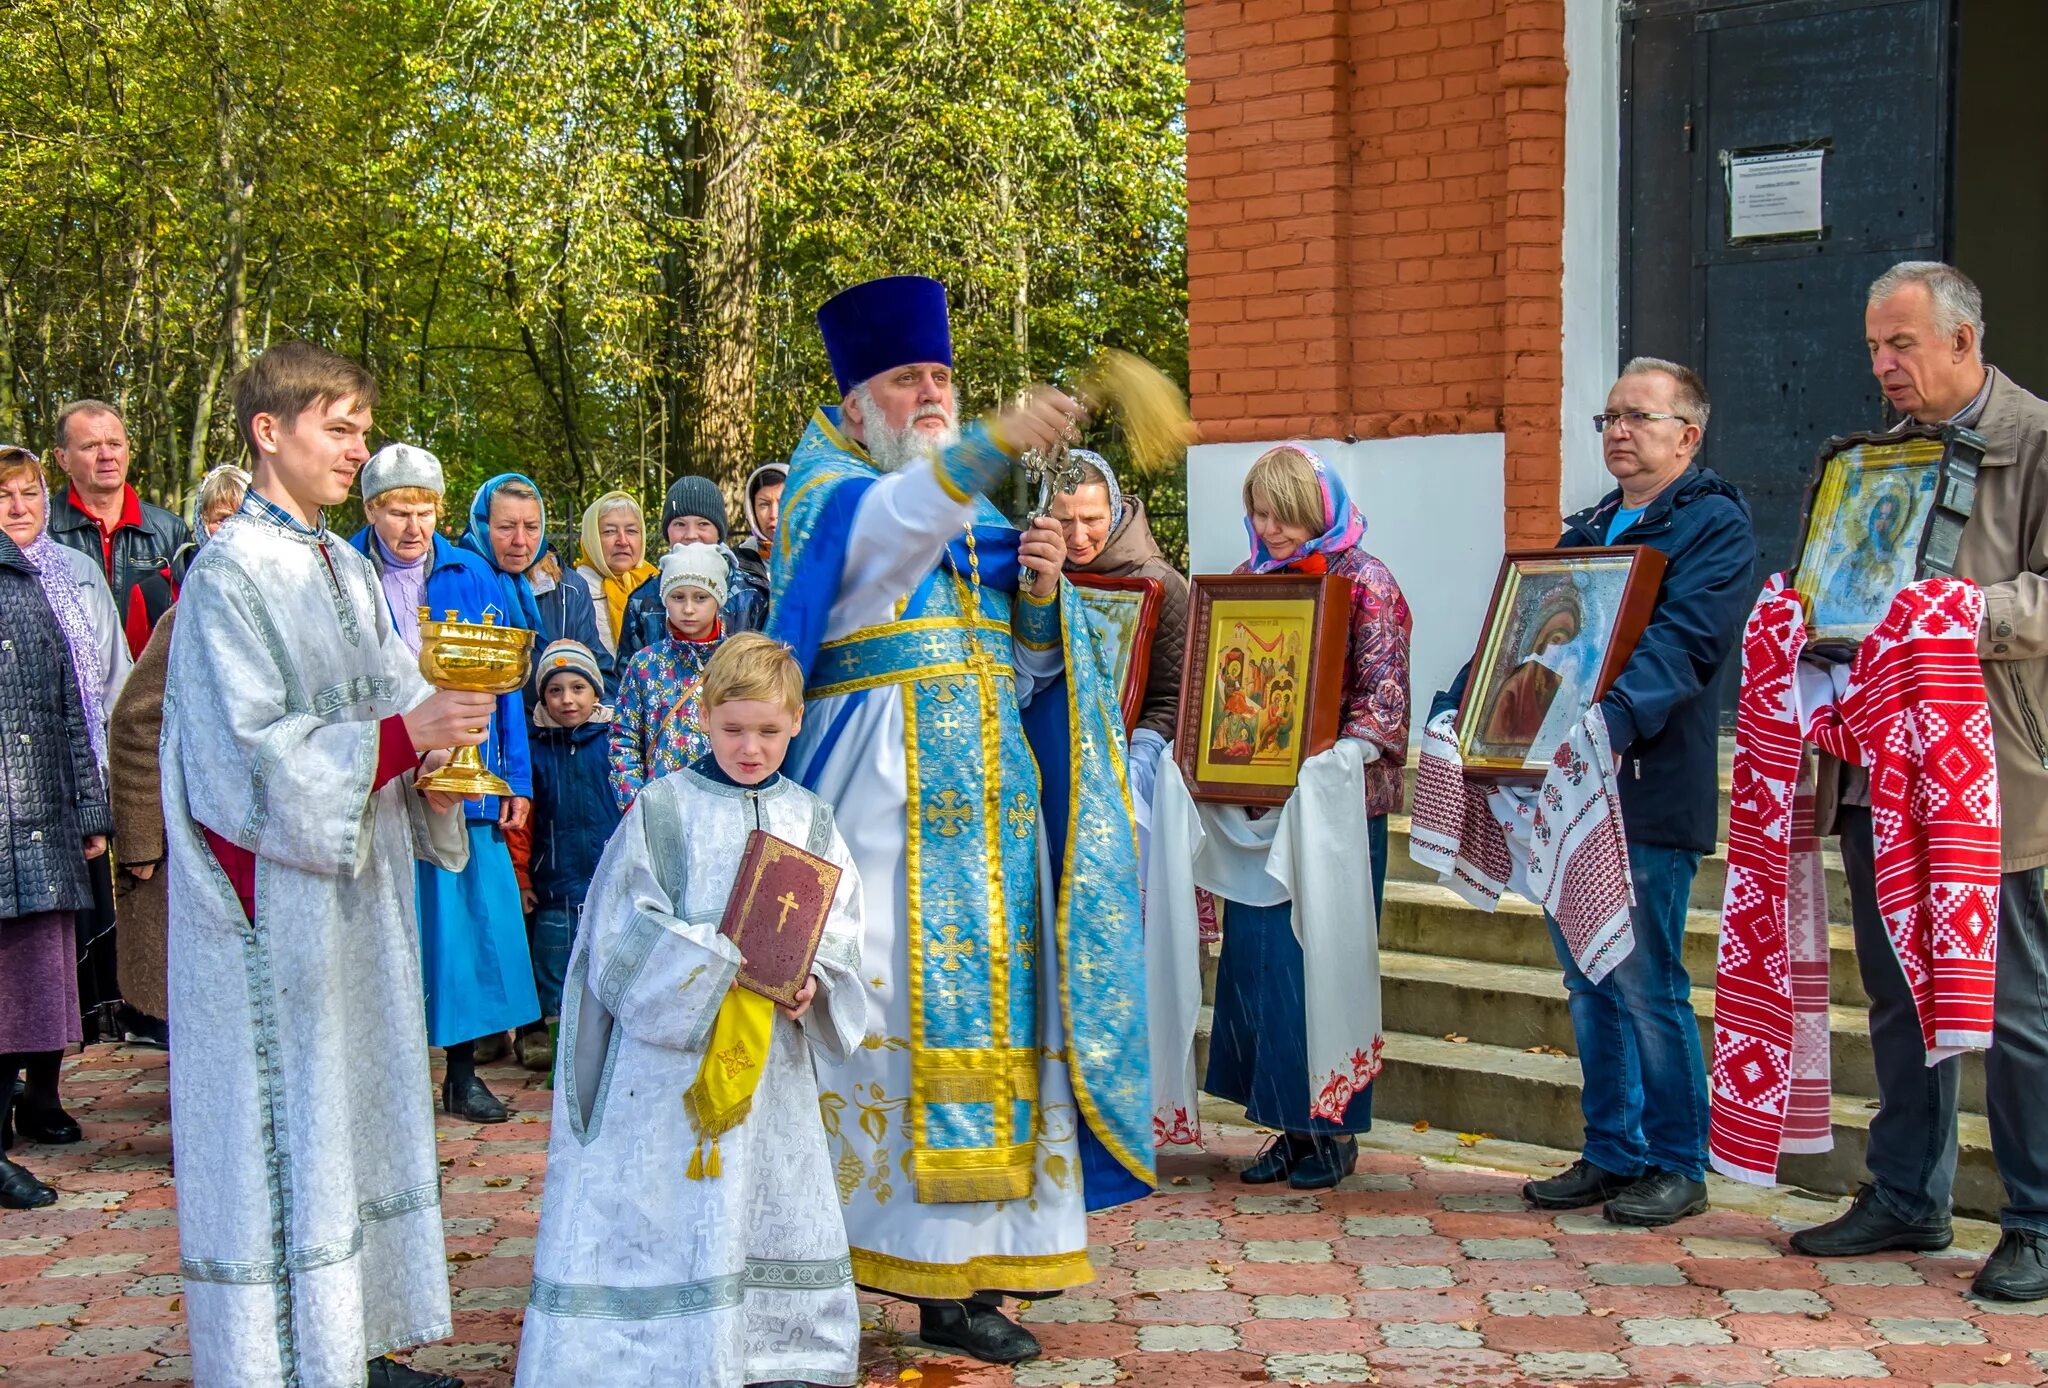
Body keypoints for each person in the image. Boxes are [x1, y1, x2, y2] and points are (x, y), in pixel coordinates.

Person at [772, 274, 1151, 1364]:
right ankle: (813, 1268)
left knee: (993, 1052)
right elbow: (893, 527)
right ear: (854, 403)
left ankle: (961, 1283)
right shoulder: (831, 495)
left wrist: (1036, 597)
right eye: (906, 379)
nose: (930, 393)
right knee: (867, 1055)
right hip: (873, 836)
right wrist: (987, 442)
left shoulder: (973, 516)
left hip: (989, 838)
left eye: (941, 376)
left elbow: (1032, 678)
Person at [161, 341, 495, 1388]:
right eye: (338, 426)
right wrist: (403, 742)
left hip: (358, 890)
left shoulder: (347, 567)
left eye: (360, 427)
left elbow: (398, 707)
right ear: (270, 430)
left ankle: (352, 1339)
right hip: (277, 914)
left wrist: (440, 762)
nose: (357, 449)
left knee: (358, 1112)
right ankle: (278, 1357)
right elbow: (240, 757)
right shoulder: (230, 575)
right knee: (291, 1125)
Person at [1433, 358, 1756, 1228]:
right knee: (1586, 981)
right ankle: (1612, 1151)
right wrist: (1458, 708)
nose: (1618, 430)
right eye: (1609, 417)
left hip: (1642, 787)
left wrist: (1604, 728)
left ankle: (1677, 1162)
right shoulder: (1588, 530)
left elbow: (1685, 647)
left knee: (1647, 982)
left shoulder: (1714, 527)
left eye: (1638, 418)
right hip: (1563, 797)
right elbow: (1524, 631)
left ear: (1688, 434)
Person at [1792, 263, 2048, 1301]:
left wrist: (1957, 613)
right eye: (1869, 347)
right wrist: (1804, 613)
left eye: (1899, 344)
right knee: (1895, 994)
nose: (1881, 365)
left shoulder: (2033, 439)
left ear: (1962, 340)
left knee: (2014, 1005)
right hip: (1874, 761)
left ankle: (2033, 1217)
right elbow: (1842, 582)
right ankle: (1905, 1191)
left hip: (1989, 766)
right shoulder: (1872, 456)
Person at [516, 633, 866, 1387]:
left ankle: (780, 1351)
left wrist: (817, 984)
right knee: (671, 1205)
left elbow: (841, 931)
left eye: (769, 731)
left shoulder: (810, 820)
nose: (750, 746)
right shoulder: (662, 808)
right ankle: (656, 1356)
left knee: (766, 1193)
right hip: (668, 1069)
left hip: (771, 1058)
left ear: (797, 722)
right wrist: (711, 963)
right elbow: (620, 930)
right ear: (701, 716)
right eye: (733, 728)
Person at [1204, 444, 1412, 1190]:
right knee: (1263, 969)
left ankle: (1334, 1134)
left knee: (1322, 966)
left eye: (1286, 512)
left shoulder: (1366, 581)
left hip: (1334, 813)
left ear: (1318, 507)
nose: (1272, 526)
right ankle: (1286, 1127)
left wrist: (1335, 759)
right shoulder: (1254, 581)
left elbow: (1382, 699)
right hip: (1264, 813)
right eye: (1260, 512)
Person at [352, 443, 540, 1124]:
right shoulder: (343, 572)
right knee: (383, 920)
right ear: (371, 509)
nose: (412, 525)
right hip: (379, 761)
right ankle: (381, 1078)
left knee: (465, 922)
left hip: (463, 766)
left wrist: (512, 775)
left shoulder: (471, 572)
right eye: (398, 510)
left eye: (424, 510)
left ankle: (462, 1074)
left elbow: (506, 685)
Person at [0, 444, 114, 1211]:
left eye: (28, 492)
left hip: (42, 813)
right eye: (2, 495)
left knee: (39, 979)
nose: (18, 507)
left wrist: (92, 808)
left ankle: (38, 1100)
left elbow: (74, 703)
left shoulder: (47, 582)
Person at [109, 465, 245, 1051]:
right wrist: (140, 840)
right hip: (203, 837)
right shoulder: (187, 616)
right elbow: (136, 722)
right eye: (225, 519)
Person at [1049, 450, 1188, 815]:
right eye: (1064, 520)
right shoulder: (1036, 577)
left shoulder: (1159, 583)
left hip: (1125, 763)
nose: (1078, 536)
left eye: (1092, 519)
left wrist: (1140, 755)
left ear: (1114, 511)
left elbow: (1174, 694)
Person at [520, 639, 621, 1068]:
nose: (567, 700)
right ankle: (561, 1048)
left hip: (610, 879)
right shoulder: (534, 747)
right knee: (555, 966)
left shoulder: (614, 742)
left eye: (578, 688)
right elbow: (521, 821)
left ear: (596, 692)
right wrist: (524, 877)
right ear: (542, 697)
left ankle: (609, 1048)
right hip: (554, 883)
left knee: (609, 961)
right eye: (555, 690)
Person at [45, 399, 190, 658]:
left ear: (128, 450)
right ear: (63, 458)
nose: (106, 456)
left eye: (114, 444)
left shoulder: (169, 530)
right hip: (69, 687)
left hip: (148, 686)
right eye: (90, 446)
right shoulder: (42, 531)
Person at [461, 472, 610, 703]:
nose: (520, 540)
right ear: (482, 527)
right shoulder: (458, 584)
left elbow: (597, 669)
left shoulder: (568, 589)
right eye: (506, 527)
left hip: (554, 735)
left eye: (531, 527)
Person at [610, 543, 727, 809]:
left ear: (718, 599)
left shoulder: (738, 661)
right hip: (661, 809)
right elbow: (623, 738)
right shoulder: (644, 664)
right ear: (665, 600)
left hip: (725, 806)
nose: (688, 608)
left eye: (700, 597)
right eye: (678, 597)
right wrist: (635, 804)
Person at [615, 474, 770, 662]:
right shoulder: (643, 601)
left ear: (719, 531)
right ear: (667, 531)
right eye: (679, 524)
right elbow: (625, 680)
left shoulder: (751, 595)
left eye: (703, 524)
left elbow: (768, 674)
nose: (691, 535)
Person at [571, 489, 657, 659]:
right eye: (609, 531)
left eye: (631, 531)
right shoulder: (572, 592)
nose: (623, 541)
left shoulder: (659, 584)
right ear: (591, 539)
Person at [731, 461, 787, 592]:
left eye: (783, 503)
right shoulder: (735, 563)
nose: (773, 515)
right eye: (764, 505)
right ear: (752, 510)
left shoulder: (820, 557)